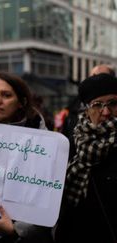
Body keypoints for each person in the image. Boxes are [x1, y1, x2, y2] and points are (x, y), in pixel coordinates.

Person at [0, 72, 52, 243]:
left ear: (21, 103)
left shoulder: (44, 144)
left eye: (6, 95)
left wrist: (16, 230)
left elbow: (47, 201)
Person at [55, 73, 117, 243]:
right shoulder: (72, 140)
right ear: (87, 109)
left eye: (113, 103)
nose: (105, 112)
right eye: (97, 105)